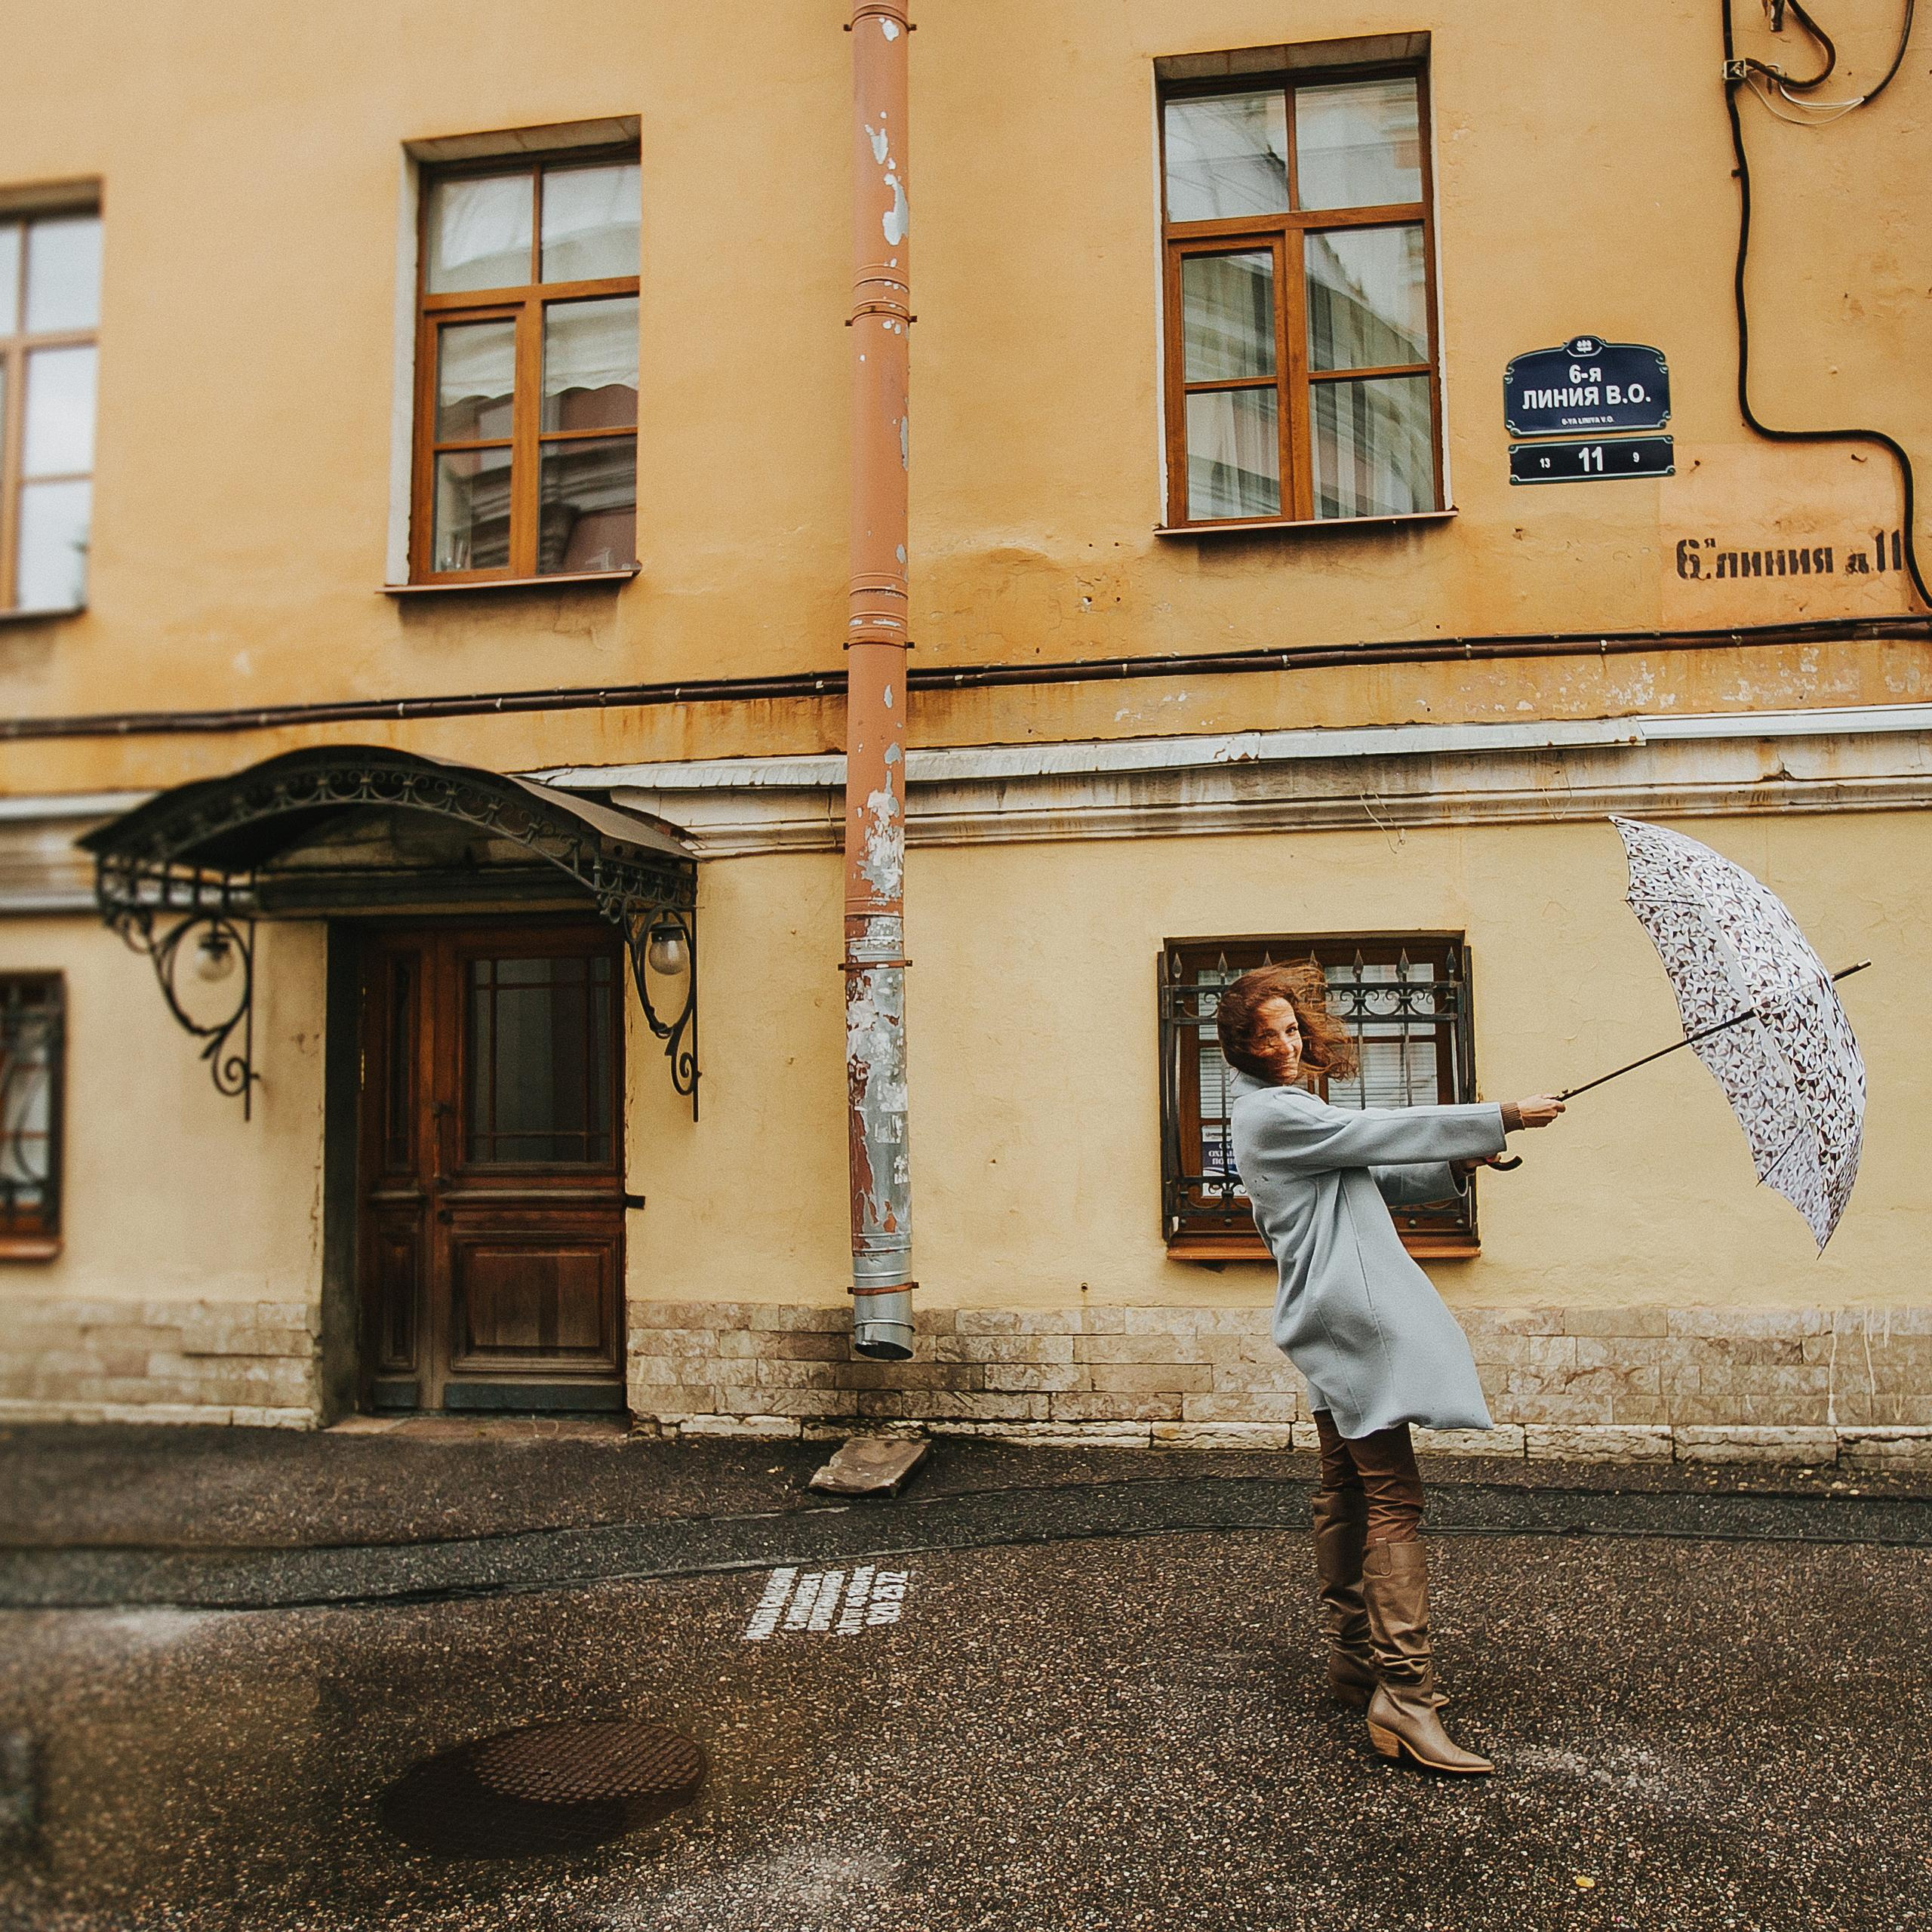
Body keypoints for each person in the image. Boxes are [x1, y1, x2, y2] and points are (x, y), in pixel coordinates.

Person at [1219, 962, 1565, 1775]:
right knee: (1393, 1497)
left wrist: (1459, 1163)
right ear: (1238, 1045)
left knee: (1343, 1486)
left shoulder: (1288, 1115)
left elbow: (1364, 1176)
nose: (1284, 1042)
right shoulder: (1271, 1111)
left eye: (1292, 1028)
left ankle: (1356, 1663)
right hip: (1354, 1321)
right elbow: (1376, 1134)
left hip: (1327, 1319)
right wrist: (1502, 1116)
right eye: (1265, 1033)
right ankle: (1405, 1700)